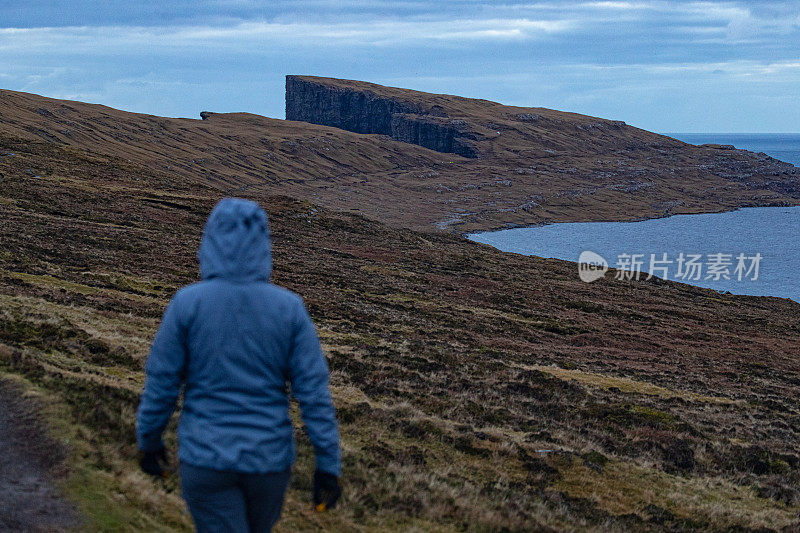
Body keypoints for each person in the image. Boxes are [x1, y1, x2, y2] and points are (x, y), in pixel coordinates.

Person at [135, 197, 341, 532]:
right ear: (263, 244)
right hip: (268, 463)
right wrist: (328, 466)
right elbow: (314, 396)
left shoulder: (187, 304)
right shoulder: (289, 309)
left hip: (205, 457)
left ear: (210, 241)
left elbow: (162, 382)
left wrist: (148, 441)